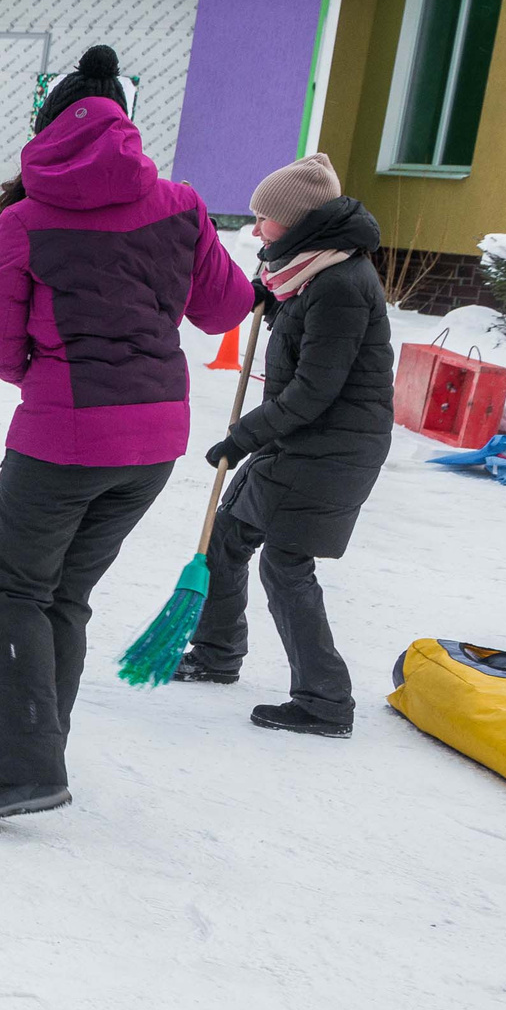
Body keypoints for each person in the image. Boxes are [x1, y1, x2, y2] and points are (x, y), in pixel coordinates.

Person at [0, 46, 252, 821]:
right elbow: (225, 309)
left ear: (49, 126)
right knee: (64, 593)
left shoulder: (26, 218)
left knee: (12, 589)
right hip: (154, 442)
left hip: (64, 438)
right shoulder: (181, 205)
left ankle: (25, 766)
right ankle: (38, 751)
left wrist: (47, 383)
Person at [175, 153, 393, 737]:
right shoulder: (307, 271)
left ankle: (325, 701)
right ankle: (217, 653)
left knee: (286, 563)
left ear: (297, 222)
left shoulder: (341, 284)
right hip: (303, 437)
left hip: (335, 445)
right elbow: (292, 326)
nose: (256, 230)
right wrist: (268, 299)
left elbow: (316, 388)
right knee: (228, 535)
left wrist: (241, 437)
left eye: (264, 218)